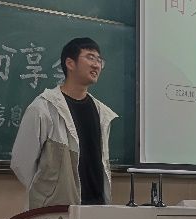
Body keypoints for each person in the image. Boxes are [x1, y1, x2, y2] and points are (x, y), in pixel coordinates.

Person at [11, 37, 117, 209]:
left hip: (96, 208)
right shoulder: (43, 108)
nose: (96, 65)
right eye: (90, 57)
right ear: (70, 63)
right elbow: (21, 162)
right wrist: (49, 191)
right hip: (56, 211)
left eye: (99, 60)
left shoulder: (102, 112)